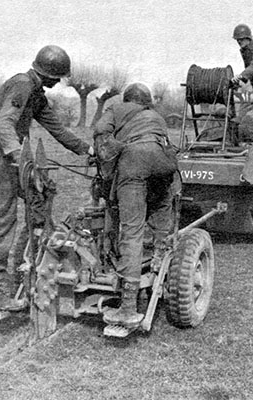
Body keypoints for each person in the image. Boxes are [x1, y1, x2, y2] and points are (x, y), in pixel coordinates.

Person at [0, 45, 93, 312]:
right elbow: (4, 123)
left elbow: (57, 128)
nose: (57, 83)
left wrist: (86, 149)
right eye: (58, 78)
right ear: (51, 75)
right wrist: (17, 155)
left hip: (7, 155)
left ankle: (35, 256)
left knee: (40, 196)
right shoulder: (22, 84)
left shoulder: (35, 93)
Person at [94, 83, 177, 328]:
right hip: (164, 162)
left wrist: (103, 154)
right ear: (147, 101)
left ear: (128, 98)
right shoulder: (156, 116)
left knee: (131, 229)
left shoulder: (117, 108)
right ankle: (160, 259)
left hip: (134, 162)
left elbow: (100, 130)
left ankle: (128, 305)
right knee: (161, 208)